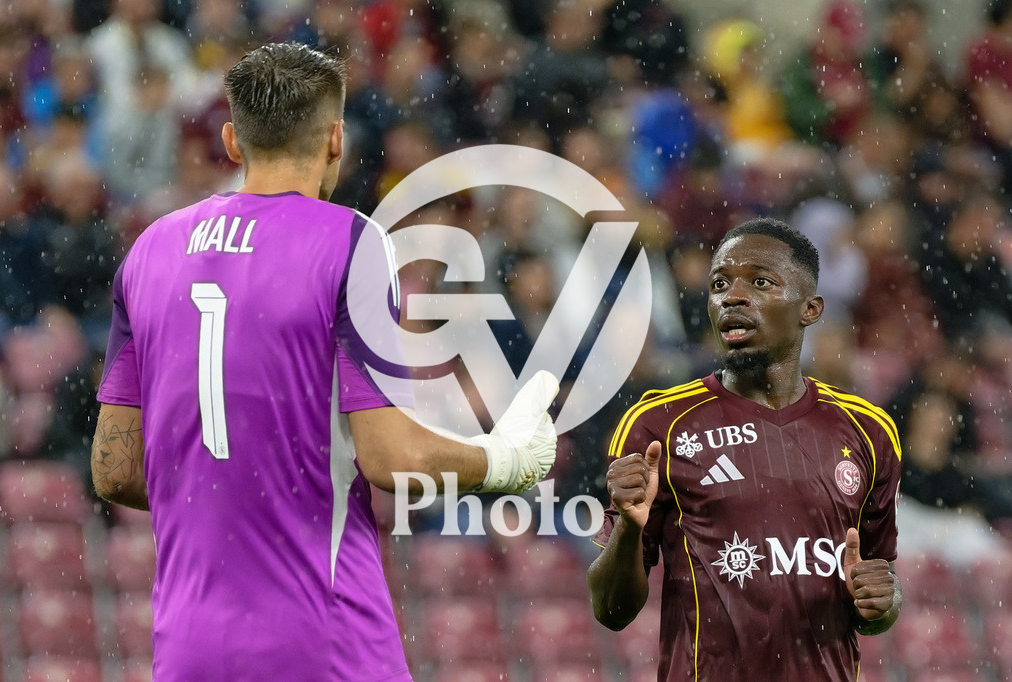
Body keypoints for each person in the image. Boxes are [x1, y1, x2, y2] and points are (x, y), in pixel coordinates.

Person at [89, 42, 559, 681]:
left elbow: (114, 469)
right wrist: (506, 460)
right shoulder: (351, 242)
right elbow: (393, 459)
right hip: (323, 639)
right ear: (336, 139)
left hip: (188, 648)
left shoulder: (148, 250)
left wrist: (233, 498)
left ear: (232, 140)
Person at [588, 217, 902, 681]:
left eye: (759, 281)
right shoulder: (658, 425)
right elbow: (610, 610)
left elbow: (875, 596)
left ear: (810, 309)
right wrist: (628, 530)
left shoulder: (868, 430)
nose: (731, 296)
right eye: (719, 283)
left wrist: (884, 603)